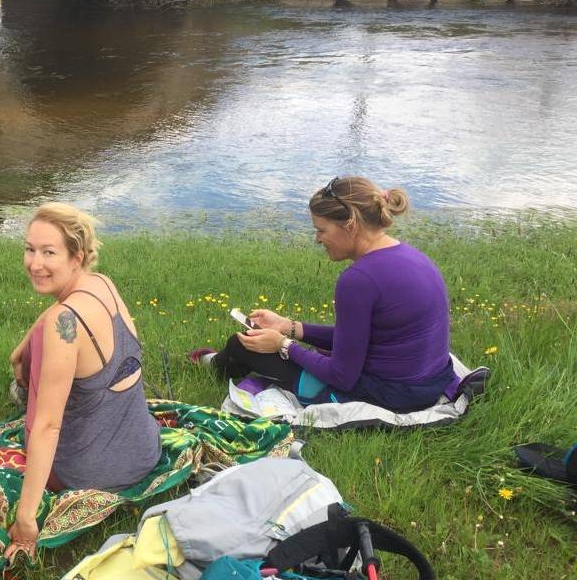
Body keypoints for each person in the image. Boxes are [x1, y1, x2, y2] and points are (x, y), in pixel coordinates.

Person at [189, 176, 456, 411]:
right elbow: (360, 338)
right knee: (294, 346)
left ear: (350, 224)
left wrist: (283, 344)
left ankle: (214, 365)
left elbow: (342, 376)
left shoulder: (358, 280)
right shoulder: (413, 257)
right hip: (428, 384)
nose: (317, 238)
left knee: (242, 343)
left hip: (389, 395)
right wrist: (289, 327)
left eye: (321, 229)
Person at [5, 203, 162, 562]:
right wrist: (24, 346)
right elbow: (56, 313)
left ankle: (22, 392)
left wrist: (26, 520)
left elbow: (47, 426)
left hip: (89, 472)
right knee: (43, 347)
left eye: (49, 252)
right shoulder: (102, 284)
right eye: (29, 249)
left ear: (76, 257)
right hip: (144, 451)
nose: (34, 263)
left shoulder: (64, 327)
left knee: (40, 407)